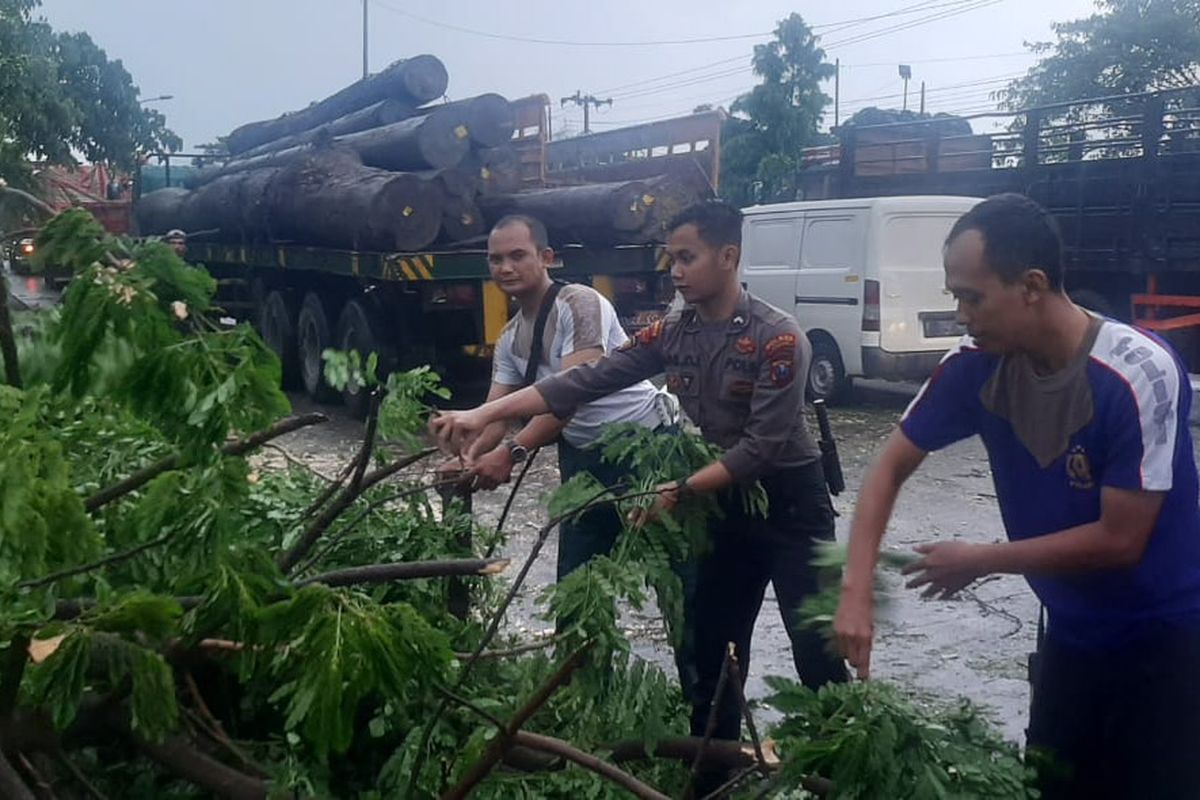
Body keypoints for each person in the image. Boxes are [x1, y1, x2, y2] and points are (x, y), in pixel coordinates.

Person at [432, 200, 848, 770]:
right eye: (670, 258)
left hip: (790, 504)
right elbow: (586, 379)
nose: (675, 272)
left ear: (728, 257)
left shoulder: (778, 338)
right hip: (720, 505)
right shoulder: (673, 331)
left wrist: (678, 490)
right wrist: (484, 416)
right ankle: (713, 775)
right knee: (712, 650)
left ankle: (844, 768)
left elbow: (762, 448)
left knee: (815, 646)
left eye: (687, 258)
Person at [832, 193, 1200, 799]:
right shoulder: (974, 367)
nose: (961, 315)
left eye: (972, 297)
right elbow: (888, 466)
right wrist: (855, 590)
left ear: (1031, 285)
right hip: (1071, 635)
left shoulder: (1138, 372)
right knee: (1053, 785)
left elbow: (1121, 539)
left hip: (1166, 639)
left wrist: (982, 559)